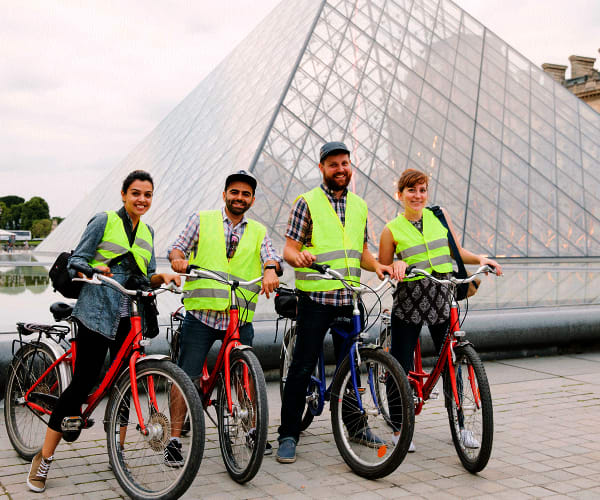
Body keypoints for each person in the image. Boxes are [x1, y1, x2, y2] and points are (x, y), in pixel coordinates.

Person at [27, 170, 181, 493]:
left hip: (129, 315)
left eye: (148, 195)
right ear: (124, 194)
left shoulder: (148, 232)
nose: (142, 199)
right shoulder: (103, 220)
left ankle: (118, 453)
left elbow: (146, 275)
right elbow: (76, 261)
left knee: (127, 385)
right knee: (82, 384)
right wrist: (93, 269)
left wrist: (162, 277)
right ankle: (43, 458)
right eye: (136, 193)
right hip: (95, 314)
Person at [276, 141, 394, 464]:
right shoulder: (307, 203)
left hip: (348, 299)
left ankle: (355, 427)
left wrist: (379, 266)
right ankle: (288, 433)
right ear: (321, 168)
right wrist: (299, 256)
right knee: (301, 366)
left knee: (351, 366)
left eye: (345, 163)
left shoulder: (359, 206)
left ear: (350, 166)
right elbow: (288, 249)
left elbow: (362, 253)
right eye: (333, 164)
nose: (340, 169)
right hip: (315, 299)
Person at [378, 168, 503, 452]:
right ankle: (399, 428)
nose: (418, 195)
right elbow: (383, 269)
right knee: (400, 364)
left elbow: (457, 252)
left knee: (452, 363)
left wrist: (482, 258)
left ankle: (460, 427)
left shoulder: (438, 218)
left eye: (422, 190)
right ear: (400, 195)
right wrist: (395, 267)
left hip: (441, 296)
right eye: (411, 190)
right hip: (410, 300)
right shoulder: (391, 230)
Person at [167, 169, 282, 460]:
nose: (239, 198)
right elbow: (178, 247)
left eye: (246, 194)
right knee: (186, 376)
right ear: (224, 194)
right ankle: (174, 440)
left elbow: (272, 256)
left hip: (238, 317)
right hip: (202, 315)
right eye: (235, 192)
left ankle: (252, 431)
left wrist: (270, 269)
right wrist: (178, 260)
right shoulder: (201, 220)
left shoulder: (258, 231)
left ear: (252, 200)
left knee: (247, 377)